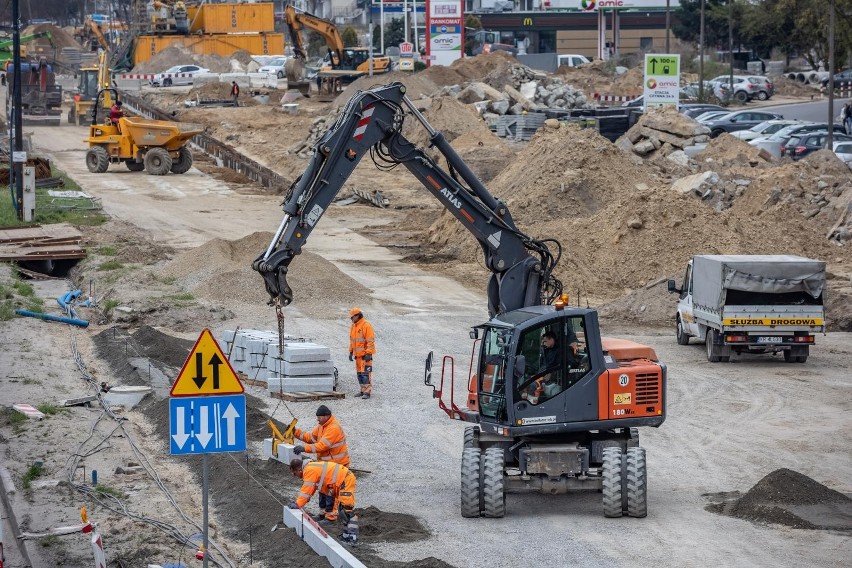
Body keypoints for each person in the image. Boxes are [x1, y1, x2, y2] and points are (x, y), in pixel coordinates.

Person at [292, 404, 350, 521]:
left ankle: (331, 518)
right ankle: (323, 514)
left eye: (319, 417)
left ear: (327, 416)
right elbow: (311, 438)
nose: (317, 419)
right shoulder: (322, 426)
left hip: (337, 465)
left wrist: (304, 448)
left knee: (331, 492)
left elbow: (322, 446)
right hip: (326, 466)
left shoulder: (333, 428)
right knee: (323, 490)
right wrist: (295, 432)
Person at [287, 458, 358, 543]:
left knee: (346, 510)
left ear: (299, 469)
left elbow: (306, 491)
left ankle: (352, 537)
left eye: (294, 473)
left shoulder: (309, 470)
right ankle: (347, 535)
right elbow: (311, 490)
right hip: (340, 480)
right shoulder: (310, 467)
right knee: (342, 509)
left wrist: (297, 504)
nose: (295, 476)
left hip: (345, 480)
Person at [348, 307, 376, 399]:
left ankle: (367, 392)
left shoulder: (366, 325)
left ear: (357, 315)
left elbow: (370, 341)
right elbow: (352, 340)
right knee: (360, 374)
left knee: (366, 374)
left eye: (352, 317)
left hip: (365, 356)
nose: (351, 319)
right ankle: (362, 390)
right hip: (358, 356)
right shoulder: (354, 326)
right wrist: (351, 352)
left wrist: (368, 353)